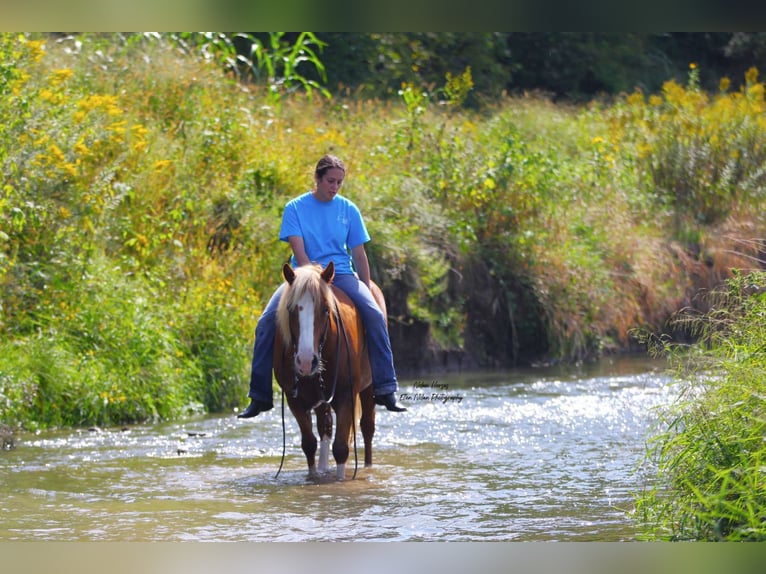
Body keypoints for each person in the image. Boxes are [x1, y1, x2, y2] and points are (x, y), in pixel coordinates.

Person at [238, 154, 407, 418]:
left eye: (339, 182)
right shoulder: (295, 208)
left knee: (374, 314)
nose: (335, 187)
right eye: (330, 181)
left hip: (340, 274)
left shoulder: (349, 209)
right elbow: (298, 250)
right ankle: (259, 395)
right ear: (317, 178)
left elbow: (359, 254)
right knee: (265, 322)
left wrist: (366, 287)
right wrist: (311, 280)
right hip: (303, 278)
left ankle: (385, 387)